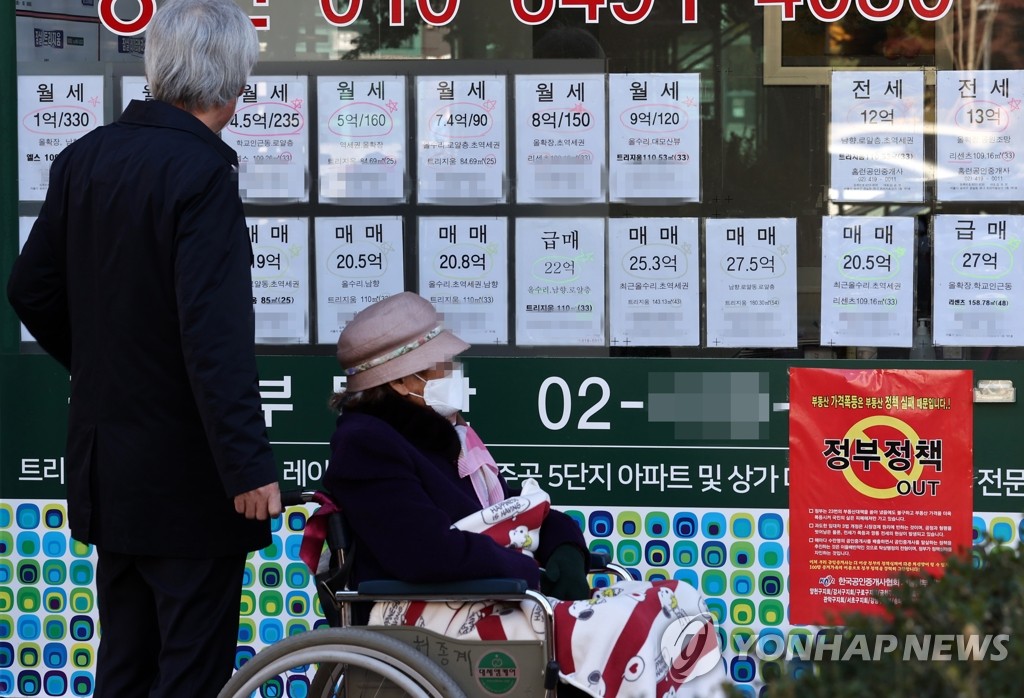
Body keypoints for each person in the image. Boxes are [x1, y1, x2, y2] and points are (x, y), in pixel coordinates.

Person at [6, 1, 281, 696]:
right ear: (233, 83)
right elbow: (213, 336)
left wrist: (110, 363)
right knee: (189, 671)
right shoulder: (202, 174)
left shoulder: (83, 158)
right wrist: (248, 467)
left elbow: (29, 289)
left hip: (112, 473)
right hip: (190, 479)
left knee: (124, 665)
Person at [323, 293, 727, 698]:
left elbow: (508, 508)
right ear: (401, 380)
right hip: (435, 612)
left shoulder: (441, 435)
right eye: (441, 365)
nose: (453, 371)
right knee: (630, 630)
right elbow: (425, 552)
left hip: (489, 592)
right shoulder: (366, 445)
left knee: (675, 606)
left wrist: (564, 545)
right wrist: (531, 573)